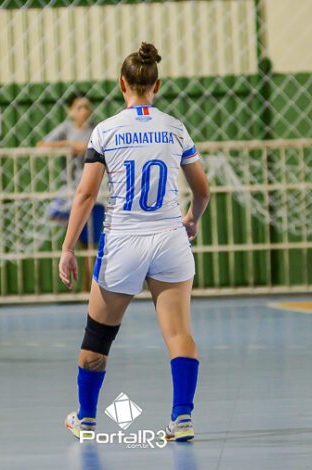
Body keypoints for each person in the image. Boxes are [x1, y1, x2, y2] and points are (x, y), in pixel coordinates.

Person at [58, 42, 210, 441]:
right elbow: (202, 189)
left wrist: (68, 248)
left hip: (123, 241)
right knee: (179, 334)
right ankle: (182, 418)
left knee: (98, 336)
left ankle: (86, 420)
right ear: (156, 85)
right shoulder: (175, 128)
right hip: (169, 238)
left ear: (121, 84)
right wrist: (192, 219)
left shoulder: (105, 130)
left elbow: (86, 195)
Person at [40, 92, 104, 288]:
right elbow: (41, 145)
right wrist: (68, 144)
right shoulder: (66, 129)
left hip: (94, 192)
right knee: (58, 218)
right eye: (79, 107)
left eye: (87, 107)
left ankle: (89, 284)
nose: (84, 111)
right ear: (70, 111)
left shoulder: (96, 129)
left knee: (90, 243)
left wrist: (88, 148)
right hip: (70, 191)